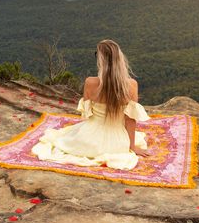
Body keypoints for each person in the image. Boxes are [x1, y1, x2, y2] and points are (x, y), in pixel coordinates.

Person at [31, 39, 152, 170]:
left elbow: (87, 116)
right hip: (118, 142)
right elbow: (130, 120)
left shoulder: (90, 83)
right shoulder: (132, 85)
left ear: (101, 60)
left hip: (88, 141)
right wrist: (132, 146)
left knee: (62, 139)